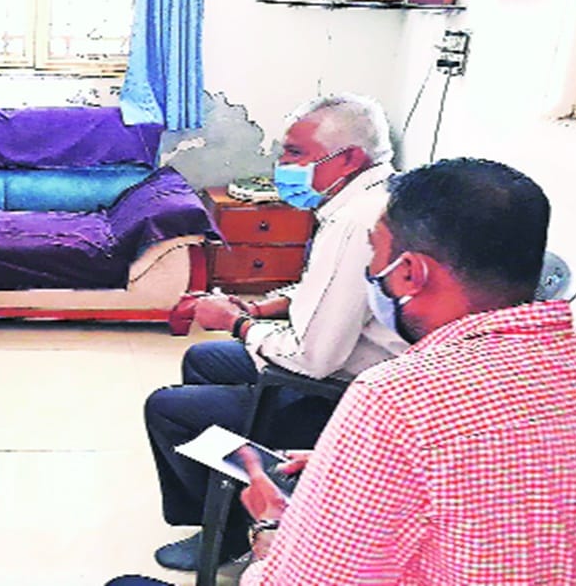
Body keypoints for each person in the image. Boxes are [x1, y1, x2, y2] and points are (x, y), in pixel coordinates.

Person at [234, 158, 576, 584]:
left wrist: (273, 530)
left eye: (375, 251)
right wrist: (357, 475)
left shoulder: (397, 399)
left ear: (409, 272)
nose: (369, 270)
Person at [145, 94, 408, 570]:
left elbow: (315, 358)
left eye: (294, 154)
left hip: (337, 390)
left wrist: (237, 322)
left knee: (167, 409)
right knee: (202, 361)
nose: (280, 165)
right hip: (343, 357)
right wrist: (265, 306)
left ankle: (228, 536)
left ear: (349, 157)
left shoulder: (355, 222)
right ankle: (220, 511)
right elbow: (320, 289)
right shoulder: (364, 198)